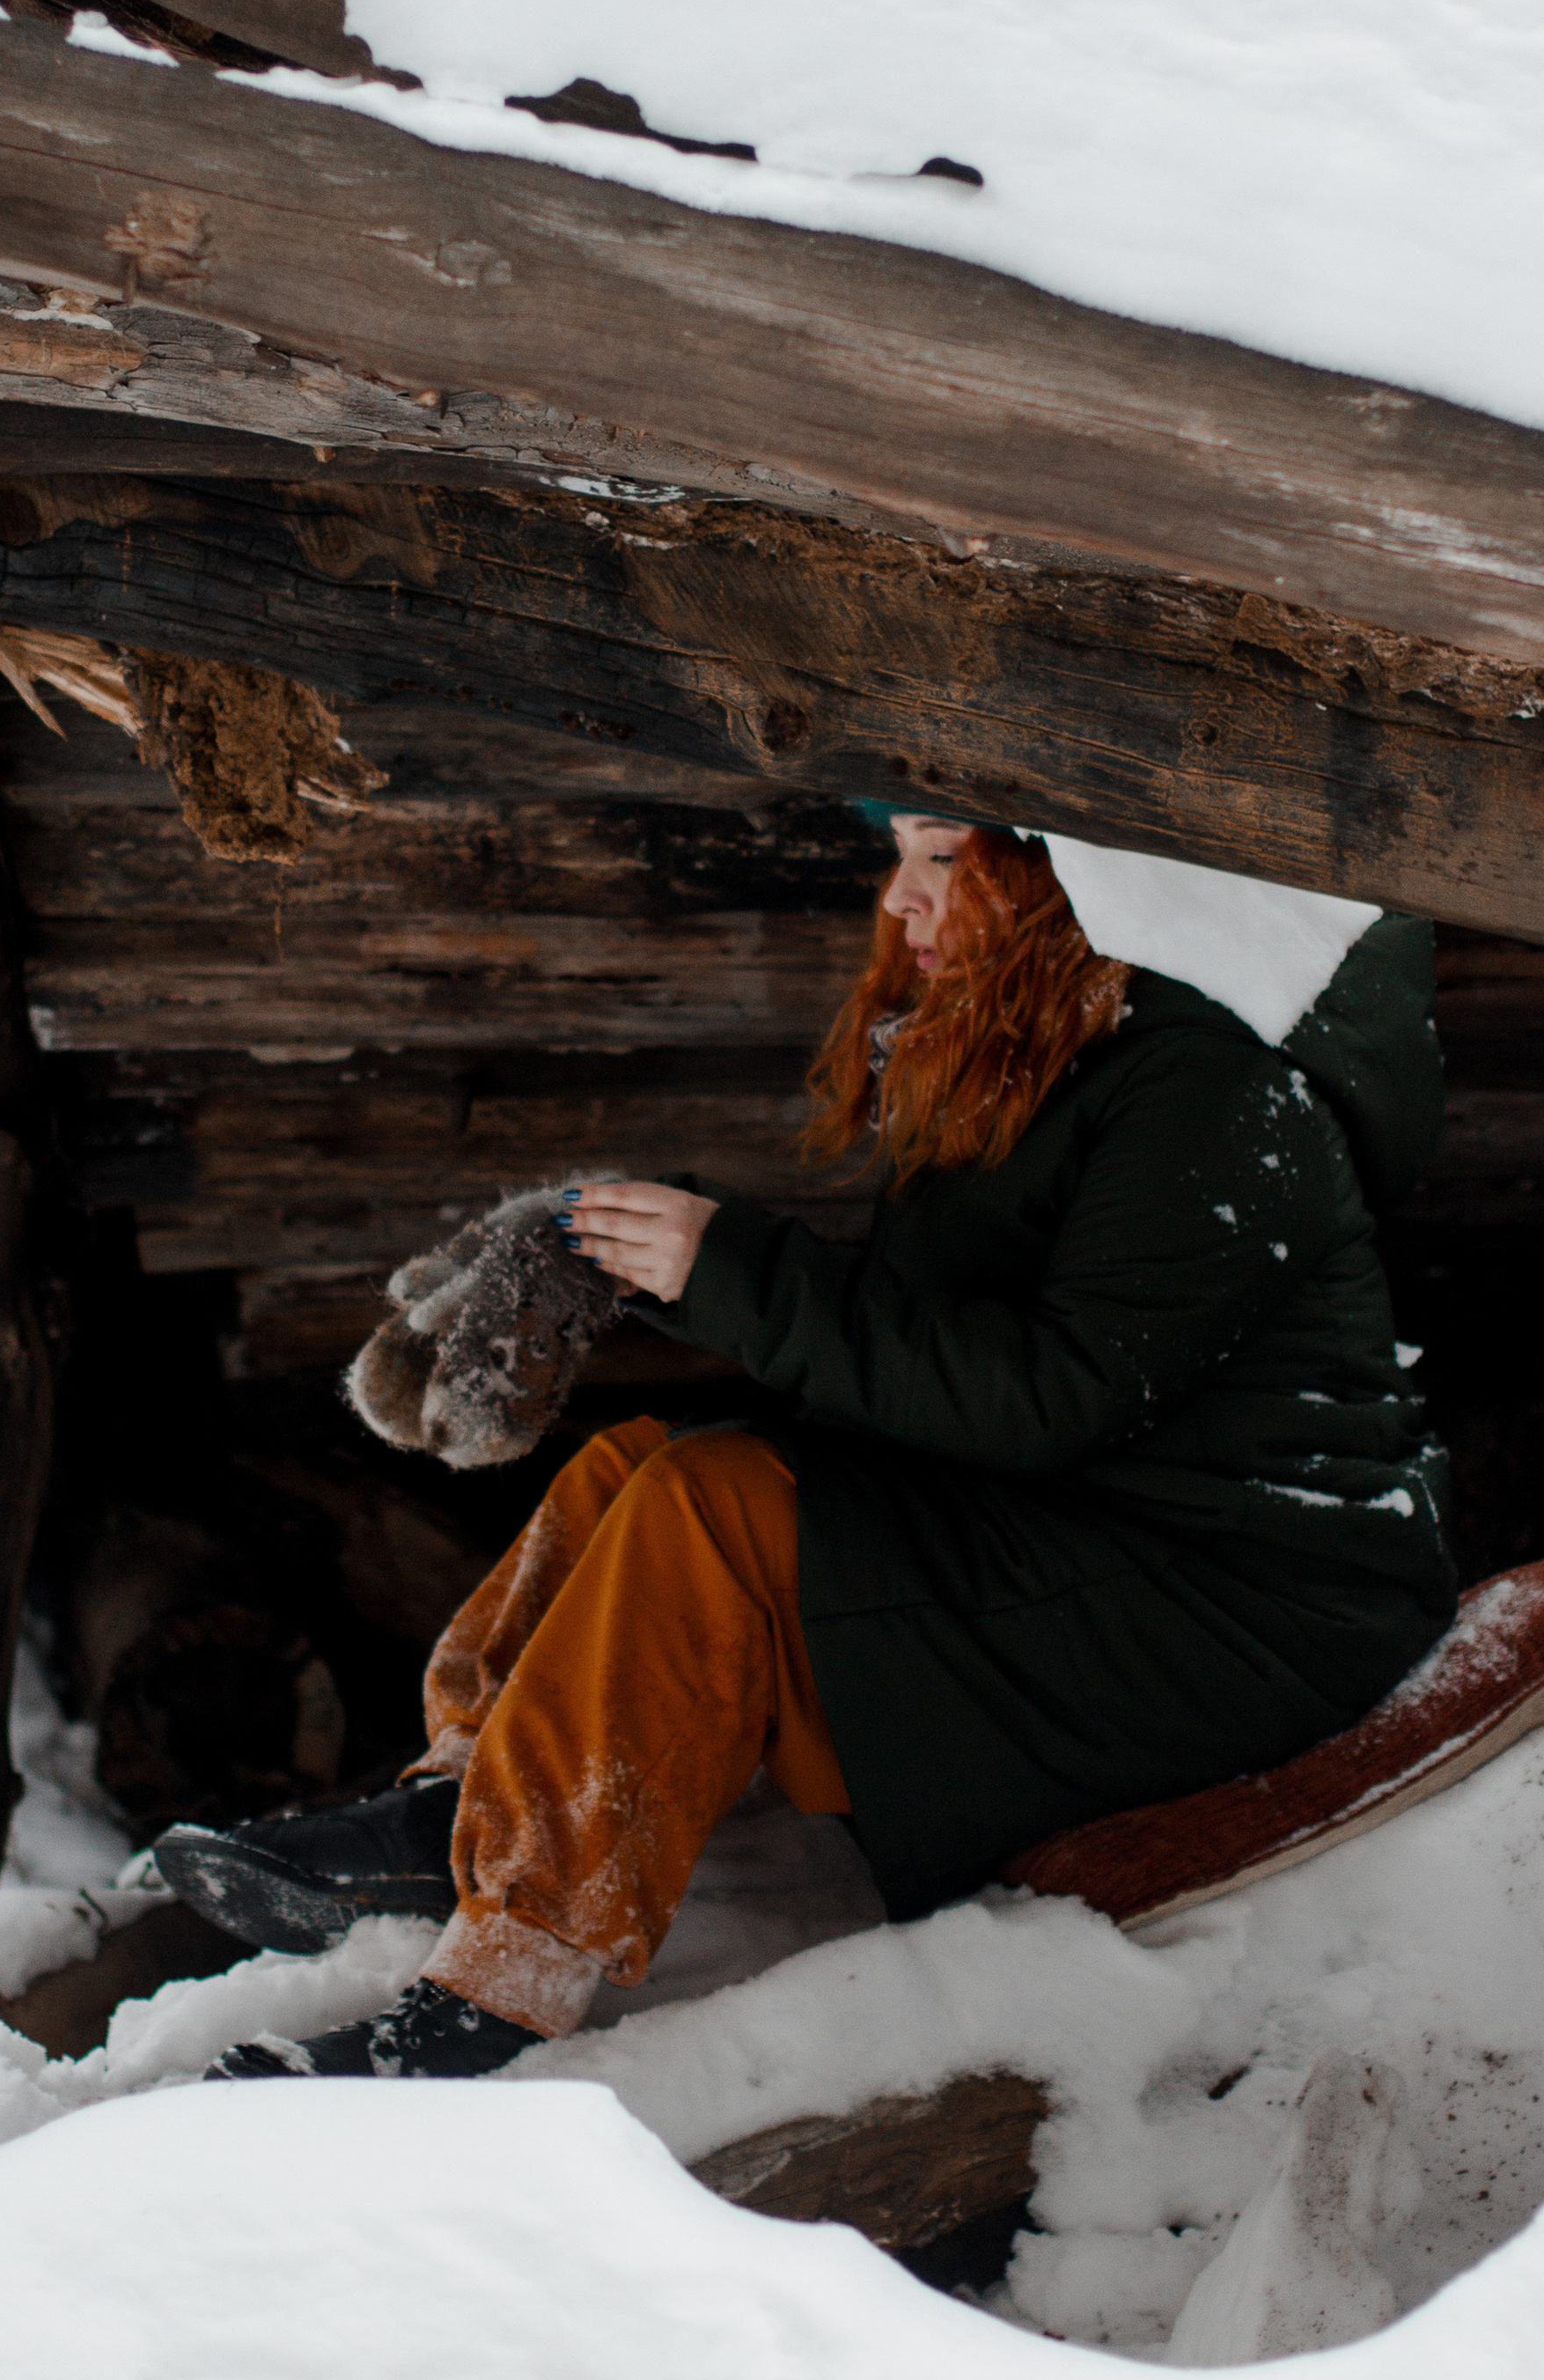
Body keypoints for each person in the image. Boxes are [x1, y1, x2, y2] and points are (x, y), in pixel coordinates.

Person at [164, 814, 1455, 2082]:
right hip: (1102, 1551)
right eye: (902, 859)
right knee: (640, 1466)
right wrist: (629, 1254)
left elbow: (1052, 1396)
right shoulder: (1072, 1056)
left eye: (945, 860)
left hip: (1244, 1617)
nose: (902, 901)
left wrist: (727, 1270)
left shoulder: (1218, 1090)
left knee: (713, 1509)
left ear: (1087, 886)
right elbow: (934, 1381)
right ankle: (468, 1800)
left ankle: (501, 1987)